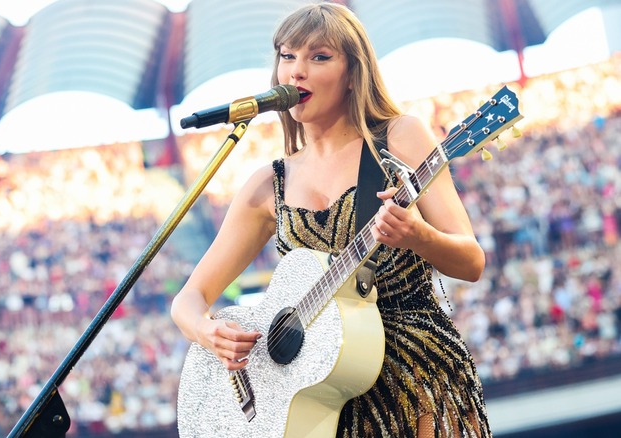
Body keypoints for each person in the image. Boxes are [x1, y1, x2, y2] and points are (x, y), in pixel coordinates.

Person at [170, 2, 492, 437]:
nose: (296, 71)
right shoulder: (268, 185)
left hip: (416, 383)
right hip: (318, 404)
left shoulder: (399, 138)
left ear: (352, 73)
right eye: (287, 56)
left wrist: (418, 235)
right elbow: (188, 299)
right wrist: (209, 333)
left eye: (318, 57)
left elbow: (470, 261)